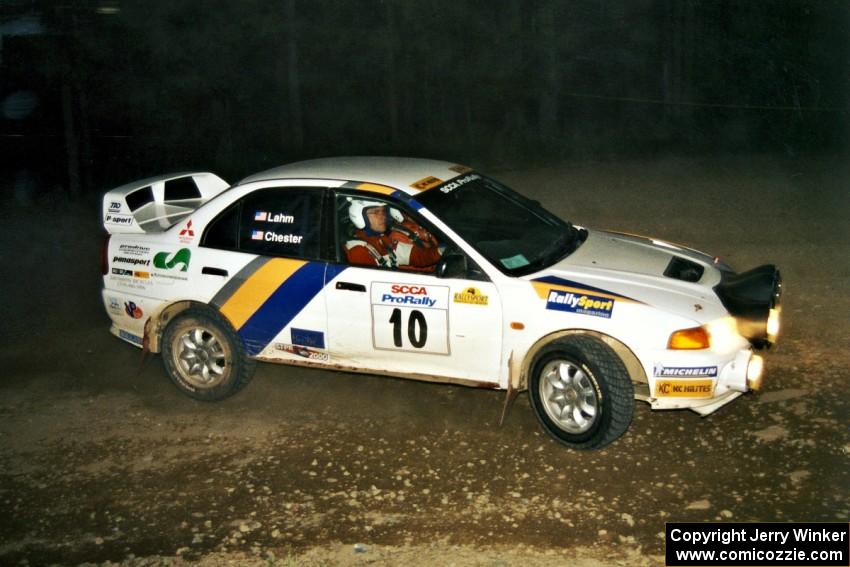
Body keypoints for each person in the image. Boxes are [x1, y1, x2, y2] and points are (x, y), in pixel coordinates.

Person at [344, 199, 442, 271]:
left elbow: (418, 257)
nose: (382, 216)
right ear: (360, 216)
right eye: (376, 212)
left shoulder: (382, 239)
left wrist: (441, 251)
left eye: (383, 211)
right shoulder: (358, 250)